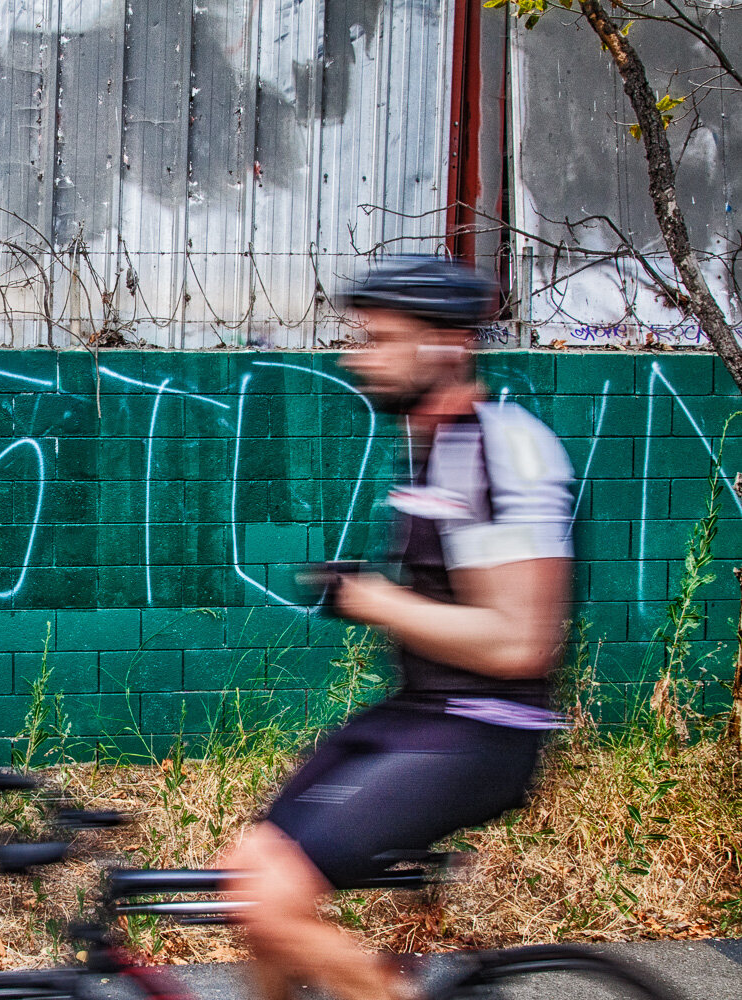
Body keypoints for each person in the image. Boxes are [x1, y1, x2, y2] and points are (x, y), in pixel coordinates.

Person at [218, 256, 575, 1000]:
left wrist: (377, 599)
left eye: (379, 339)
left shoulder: (503, 448)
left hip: (483, 731)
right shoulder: (436, 450)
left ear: (448, 346)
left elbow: (521, 642)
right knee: (253, 873)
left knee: (268, 897)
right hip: (421, 716)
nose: (357, 357)